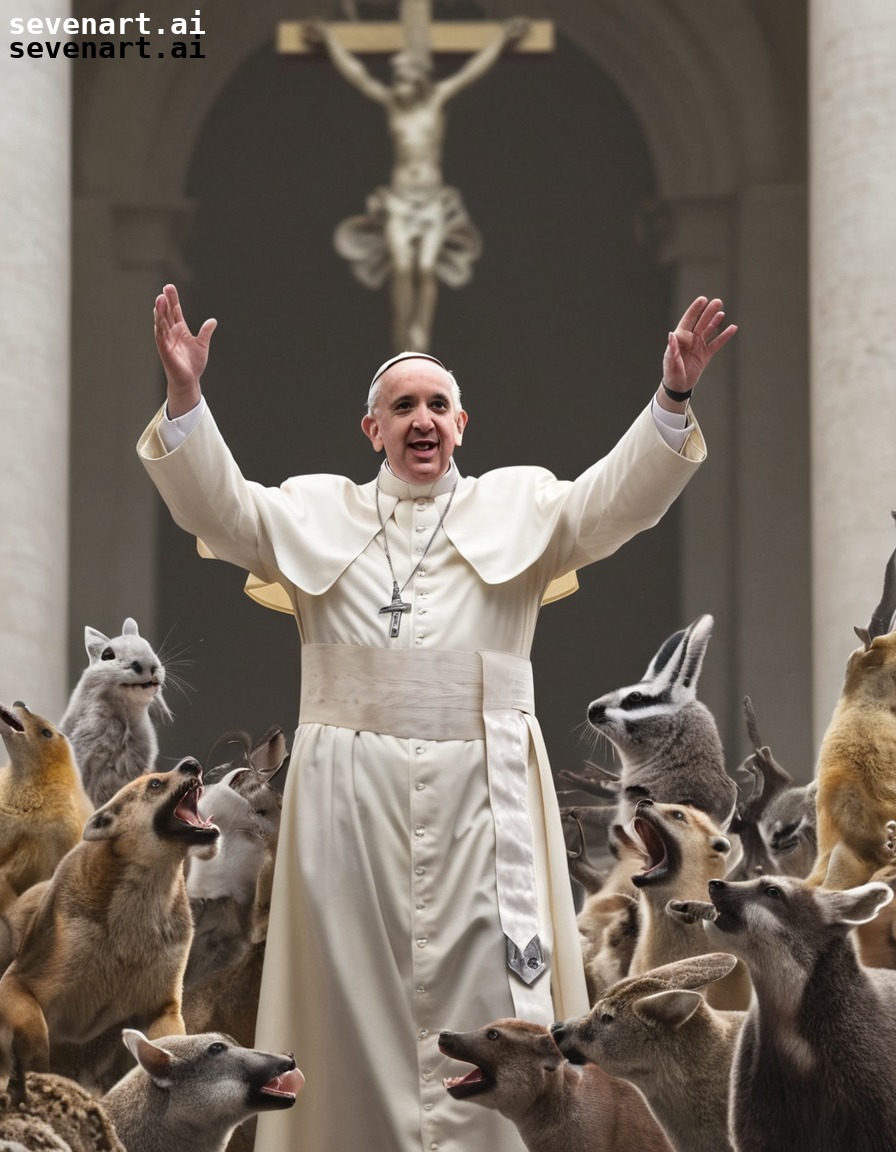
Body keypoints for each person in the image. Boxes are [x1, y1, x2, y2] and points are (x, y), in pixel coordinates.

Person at [138, 284, 736, 1152]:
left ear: (463, 424)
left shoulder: (523, 513)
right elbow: (218, 508)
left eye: (438, 405)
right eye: (402, 406)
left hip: (483, 799)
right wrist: (188, 398)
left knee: (494, 998)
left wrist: (671, 400)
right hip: (348, 802)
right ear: (371, 430)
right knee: (352, 1010)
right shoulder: (315, 516)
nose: (422, 419)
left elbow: (617, 502)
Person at [303, 17, 530, 352]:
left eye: (404, 78)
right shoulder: (394, 107)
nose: (398, 83)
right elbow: (357, 74)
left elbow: (471, 72)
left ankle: (419, 335)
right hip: (399, 200)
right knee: (402, 266)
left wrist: (502, 40)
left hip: (432, 202)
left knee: (425, 268)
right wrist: (330, 40)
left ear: (419, 81)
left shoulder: (436, 102)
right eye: (396, 78)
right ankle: (401, 338)